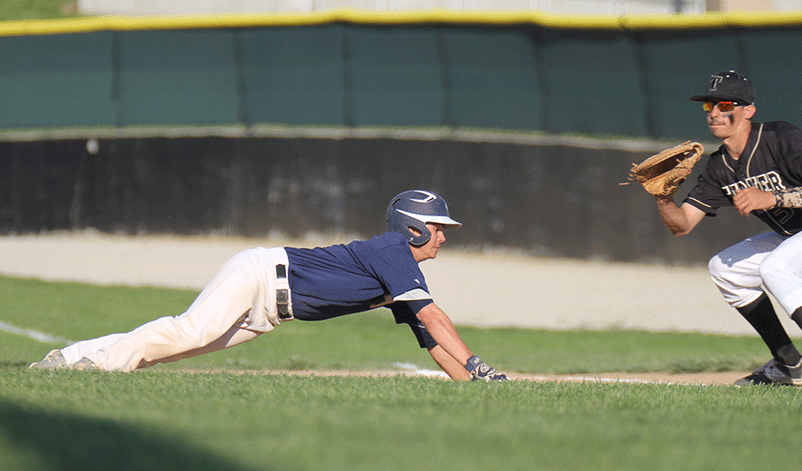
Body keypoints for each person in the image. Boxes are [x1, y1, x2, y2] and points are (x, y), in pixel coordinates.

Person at [30, 190, 508, 382]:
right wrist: (480, 366)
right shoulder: (392, 252)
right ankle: (92, 366)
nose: (443, 235)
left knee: (177, 346)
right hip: (262, 275)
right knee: (188, 331)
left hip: (269, 308)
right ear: (413, 228)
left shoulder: (399, 265)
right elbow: (435, 317)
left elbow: (428, 338)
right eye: (437, 226)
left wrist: (473, 386)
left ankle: (72, 357)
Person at [651, 70, 802, 389]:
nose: (716, 112)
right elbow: (683, 225)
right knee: (724, 269)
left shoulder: (779, 137)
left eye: (725, 104)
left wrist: (774, 197)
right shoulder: (718, 167)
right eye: (709, 106)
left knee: (777, 267)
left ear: (748, 110)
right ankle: (790, 364)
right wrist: (663, 199)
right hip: (801, 237)